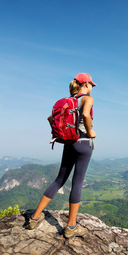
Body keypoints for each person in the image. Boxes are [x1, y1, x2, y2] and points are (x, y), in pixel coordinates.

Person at [26, 73, 97, 238]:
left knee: (59, 179)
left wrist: (63, 134)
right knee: (77, 183)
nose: (92, 88)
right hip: (84, 143)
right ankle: (71, 227)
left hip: (69, 143)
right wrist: (89, 132)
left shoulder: (67, 101)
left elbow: (50, 118)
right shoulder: (87, 99)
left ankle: (34, 218)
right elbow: (86, 114)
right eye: (91, 85)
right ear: (86, 84)